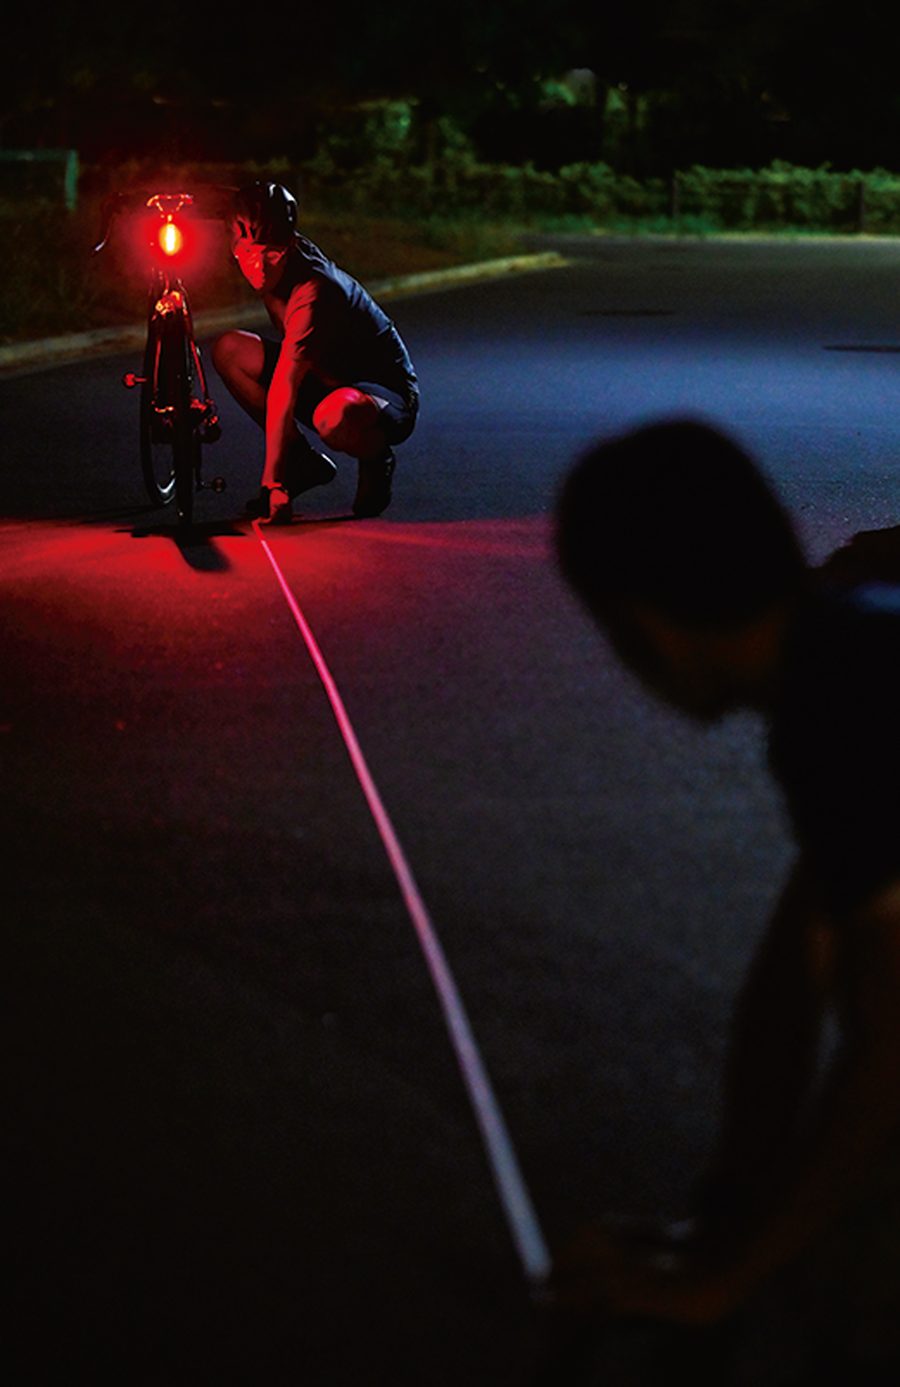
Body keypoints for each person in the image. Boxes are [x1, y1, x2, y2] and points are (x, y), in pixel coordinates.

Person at [550, 418, 900, 1381]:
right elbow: (797, 966)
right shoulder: (844, 649)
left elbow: (890, 1044)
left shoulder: (845, 703)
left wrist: (722, 1279)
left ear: (647, 625)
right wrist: (727, 1220)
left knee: (848, 1292)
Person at [212, 181, 419, 524]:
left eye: (271, 255)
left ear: (290, 244)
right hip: (324, 377)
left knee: (332, 417)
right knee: (229, 349)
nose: (259, 267)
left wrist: (273, 484)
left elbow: (285, 385)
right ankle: (302, 462)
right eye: (247, 254)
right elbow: (230, 203)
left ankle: (376, 454)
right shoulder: (263, 243)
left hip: (383, 393)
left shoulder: (314, 289)